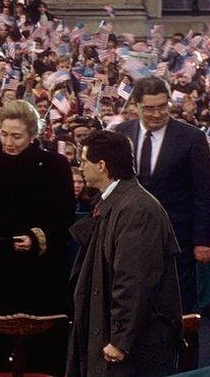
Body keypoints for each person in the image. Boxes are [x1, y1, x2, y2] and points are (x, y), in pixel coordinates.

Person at [68, 131, 182, 376]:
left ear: (101, 165)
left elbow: (133, 281)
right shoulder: (116, 201)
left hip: (134, 349)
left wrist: (120, 340)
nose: (81, 167)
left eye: (84, 161)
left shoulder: (137, 209)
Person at [0, 100, 74, 317]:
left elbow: (65, 215)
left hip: (40, 267)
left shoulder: (55, 165)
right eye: (4, 134)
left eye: (16, 136)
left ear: (33, 134)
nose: (8, 142)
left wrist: (35, 238)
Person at [113, 76, 210, 313]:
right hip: (130, 236)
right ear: (135, 105)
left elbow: (203, 193)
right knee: (133, 304)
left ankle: (185, 350)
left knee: (180, 305)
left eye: (162, 107)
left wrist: (202, 240)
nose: (157, 114)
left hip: (177, 237)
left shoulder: (192, 138)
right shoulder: (120, 133)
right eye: (149, 108)